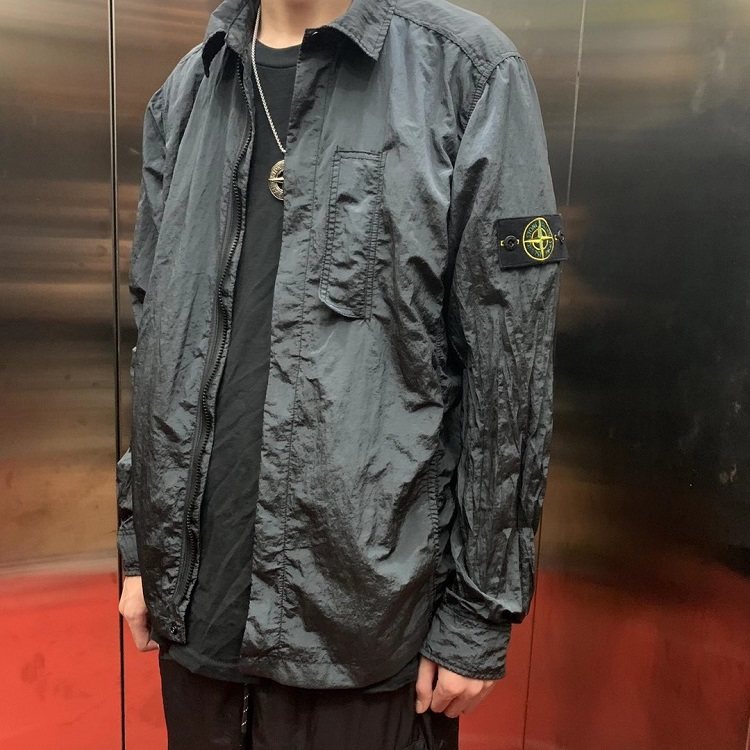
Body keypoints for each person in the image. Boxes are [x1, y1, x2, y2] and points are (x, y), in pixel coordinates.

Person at [116, 0, 568, 747]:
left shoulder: (466, 74)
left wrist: (477, 613)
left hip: (364, 633)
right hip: (197, 615)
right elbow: (157, 336)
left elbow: (508, 364)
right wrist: (141, 545)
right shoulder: (190, 91)